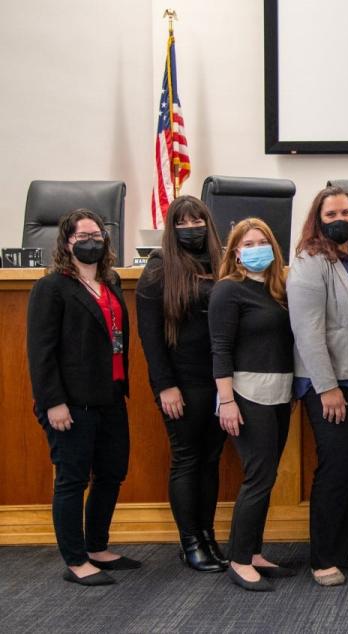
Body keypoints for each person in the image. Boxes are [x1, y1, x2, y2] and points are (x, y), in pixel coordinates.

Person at [27, 209, 139, 586]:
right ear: (67, 242)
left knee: (111, 473)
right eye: (83, 236)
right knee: (73, 479)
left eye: (98, 234)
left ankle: (96, 546)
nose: (92, 240)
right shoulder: (52, 287)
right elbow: (40, 351)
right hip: (70, 403)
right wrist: (52, 402)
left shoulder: (110, 281)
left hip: (110, 396)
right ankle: (75, 560)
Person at [287, 187, 348, 587]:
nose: (339, 218)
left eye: (346, 211)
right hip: (334, 385)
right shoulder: (311, 261)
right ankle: (324, 556)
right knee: (336, 470)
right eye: (331, 213)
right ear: (318, 218)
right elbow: (307, 331)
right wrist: (326, 387)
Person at [136, 196, 227, 573]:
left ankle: (206, 535)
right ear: (171, 230)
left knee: (210, 460)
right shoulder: (159, 270)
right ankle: (189, 541)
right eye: (183, 222)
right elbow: (150, 338)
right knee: (188, 459)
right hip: (182, 384)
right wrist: (164, 386)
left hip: (220, 382)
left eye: (198, 220)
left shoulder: (222, 263)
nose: (192, 227)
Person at [209, 218, 295, 591]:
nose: (257, 247)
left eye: (264, 241)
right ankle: (239, 559)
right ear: (236, 251)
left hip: (280, 393)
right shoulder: (228, 291)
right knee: (258, 477)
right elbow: (220, 349)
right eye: (249, 243)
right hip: (246, 394)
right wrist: (226, 400)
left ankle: (255, 551)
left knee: (269, 475)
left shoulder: (278, 289)